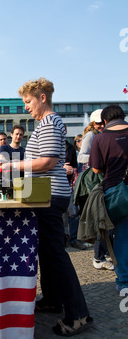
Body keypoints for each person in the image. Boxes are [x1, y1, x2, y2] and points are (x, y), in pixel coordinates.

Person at [3, 78, 93, 336]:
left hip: (50, 196)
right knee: (47, 251)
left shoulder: (51, 123)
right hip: (45, 195)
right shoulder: (46, 123)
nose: (27, 107)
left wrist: (13, 165)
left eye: (28, 101)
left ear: (42, 97)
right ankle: (53, 299)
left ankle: (79, 314)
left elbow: (47, 162)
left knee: (55, 254)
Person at [89, 105, 128, 292]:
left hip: (116, 191)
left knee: (121, 237)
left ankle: (124, 283)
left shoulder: (100, 138)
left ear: (104, 121)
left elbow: (95, 169)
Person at [78, 110, 113, 270]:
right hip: (92, 181)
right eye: (97, 123)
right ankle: (98, 257)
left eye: (102, 123)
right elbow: (81, 157)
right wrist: (98, 159)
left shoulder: (103, 135)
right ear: (92, 123)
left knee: (106, 219)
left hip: (101, 179)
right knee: (101, 218)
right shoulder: (91, 136)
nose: (100, 125)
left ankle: (104, 254)